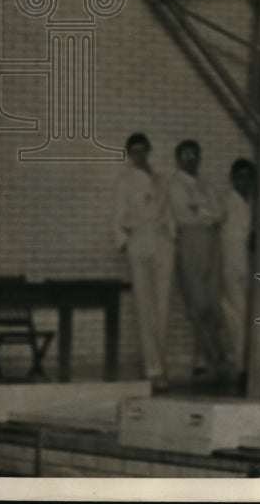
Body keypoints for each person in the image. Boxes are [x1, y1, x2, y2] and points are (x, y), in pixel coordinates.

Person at [113, 133, 175, 392]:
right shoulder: (125, 181)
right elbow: (117, 216)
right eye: (134, 151)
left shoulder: (161, 179)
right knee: (144, 306)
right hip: (139, 241)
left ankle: (161, 365)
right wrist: (125, 242)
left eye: (143, 150)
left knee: (162, 307)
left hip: (162, 242)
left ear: (149, 151)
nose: (139, 155)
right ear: (129, 154)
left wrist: (172, 237)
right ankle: (153, 369)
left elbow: (169, 211)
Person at [166, 139, 229, 383]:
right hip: (191, 241)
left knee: (213, 302)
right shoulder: (175, 185)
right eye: (186, 156)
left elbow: (221, 212)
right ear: (178, 159)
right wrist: (207, 214)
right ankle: (212, 356)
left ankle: (203, 359)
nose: (191, 160)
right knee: (198, 303)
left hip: (213, 241)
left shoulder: (205, 184)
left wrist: (203, 211)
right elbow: (185, 215)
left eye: (194, 155)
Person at [219, 156, 256, 386]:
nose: (244, 181)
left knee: (252, 317)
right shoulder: (224, 202)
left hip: (252, 267)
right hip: (231, 266)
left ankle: (250, 365)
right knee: (237, 316)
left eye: (248, 177)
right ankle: (240, 366)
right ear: (232, 179)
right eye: (239, 176)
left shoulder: (256, 203)